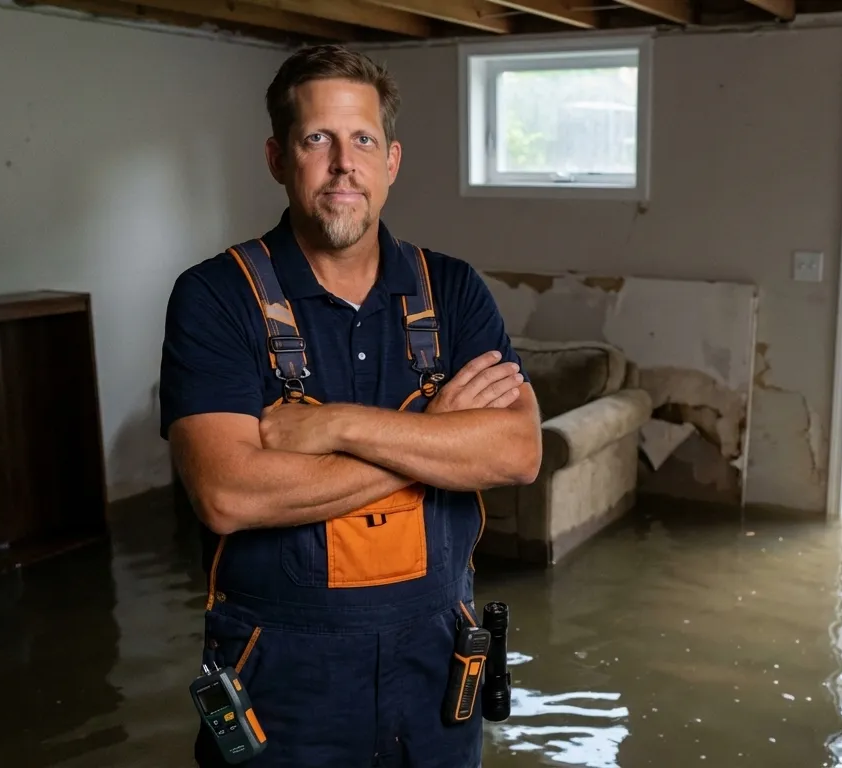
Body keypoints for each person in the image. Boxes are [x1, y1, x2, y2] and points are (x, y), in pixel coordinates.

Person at [158, 44, 542, 768]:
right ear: (278, 157)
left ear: (391, 160)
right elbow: (227, 492)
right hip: (281, 692)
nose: (344, 163)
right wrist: (436, 445)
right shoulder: (215, 297)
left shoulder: (453, 291)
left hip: (436, 680)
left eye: (363, 139)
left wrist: (335, 426)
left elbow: (517, 453)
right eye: (317, 140)